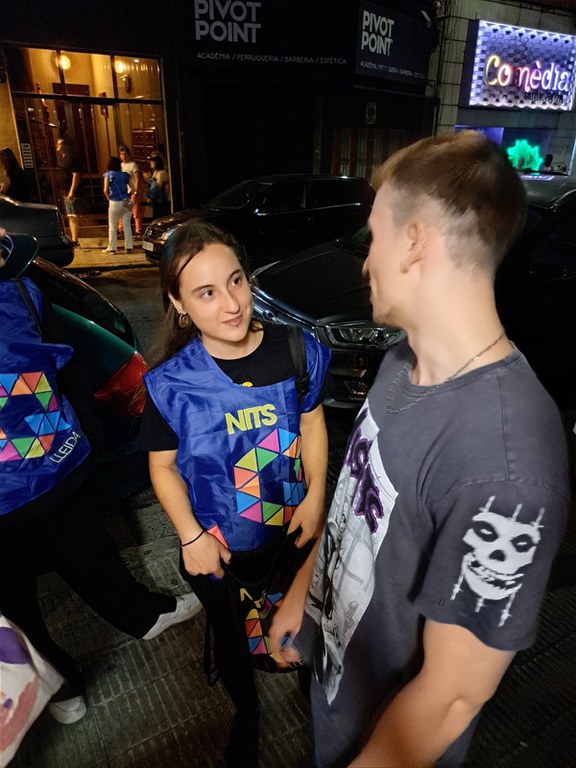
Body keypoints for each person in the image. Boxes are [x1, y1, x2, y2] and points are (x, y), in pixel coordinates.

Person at [270, 131, 570, 768]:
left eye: (375, 235)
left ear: (415, 241)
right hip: (335, 692)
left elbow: (453, 695)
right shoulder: (401, 359)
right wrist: (304, 590)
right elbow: (355, 501)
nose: (365, 262)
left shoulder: (509, 465)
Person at [138, 219, 331, 767]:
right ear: (178, 304)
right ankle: (246, 709)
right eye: (205, 292)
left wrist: (316, 496)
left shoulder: (297, 350)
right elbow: (162, 467)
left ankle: (311, 687)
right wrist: (190, 536)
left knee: (303, 617)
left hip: (294, 532)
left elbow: (313, 423)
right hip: (219, 547)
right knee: (232, 636)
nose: (231, 304)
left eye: (236, 281)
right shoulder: (170, 384)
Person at [0, 230, 202, 727]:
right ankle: (58, 682)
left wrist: (84, 440)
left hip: (58, 468)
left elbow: (68, 367)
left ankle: (147, 615)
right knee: (13, 606)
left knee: (93, 557)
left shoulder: (22, 289)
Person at [102, 156, 134, 254]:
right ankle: (129, 247)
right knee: (127, 225)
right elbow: (133, 189)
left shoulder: (108, 175)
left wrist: (109, 199)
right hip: (127, 200)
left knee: (112, 226)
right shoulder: (125, 175)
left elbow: (105, 190)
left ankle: (112, 248)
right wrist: (128, 195)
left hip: (114, 201)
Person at [55, 137, 82, 246]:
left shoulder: (73, 158)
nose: (57, 146)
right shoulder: (61, 158)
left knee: (72, 215)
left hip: (69, 190)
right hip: (63, 189)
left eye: (59, 144)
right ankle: (73, 238)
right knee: (69, 215)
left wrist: (72, 191)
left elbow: (76, 175)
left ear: (65, 146)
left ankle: (75, 240)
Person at [118, 146, 144, 237]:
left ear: (129, 155)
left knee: (135, 212)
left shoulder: (133, 165)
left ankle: (138, 231)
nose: (123, 156)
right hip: (124, 192)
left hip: (132, 192)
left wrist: (136, 190)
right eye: (121, 154)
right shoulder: (120, 166)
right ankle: (122, 230)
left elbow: (137, 178)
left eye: (125, 154)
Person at [147, 154, 170, 220]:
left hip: (160, 199)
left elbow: (158, 185)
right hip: (155, 199)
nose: (151, 164)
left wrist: (150, 181)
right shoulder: (155, 172)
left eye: (152, 162)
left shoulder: (161, 173)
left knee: (159, 216)